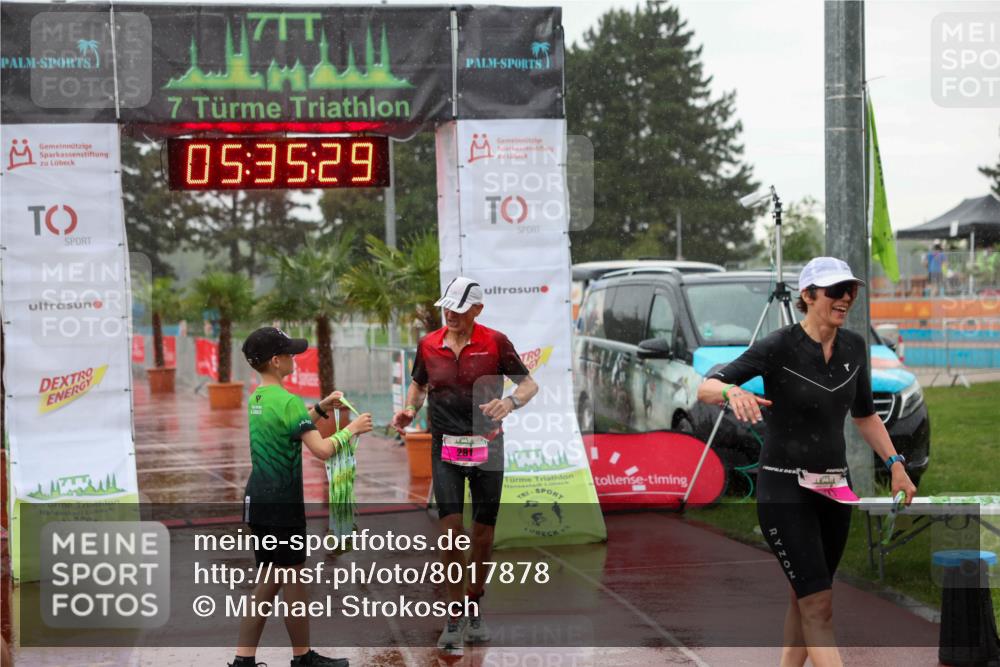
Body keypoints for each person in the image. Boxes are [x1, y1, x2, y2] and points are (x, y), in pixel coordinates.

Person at [696, 257, 916, 667]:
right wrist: (731, 392)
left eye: (850, 290)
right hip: (785, 490)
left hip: (835, 491)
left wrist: (896, 465)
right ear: (809, 295)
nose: (845, 298)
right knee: (819, 606)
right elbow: (706, 387)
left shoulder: (854, 347)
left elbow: (865, 416)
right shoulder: (779, 346)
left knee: (807, 597)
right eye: (835, 290)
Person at [391, 277, 538, 651]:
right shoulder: (429, 344)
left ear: (477, 309)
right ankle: (454, 613)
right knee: (452, 532)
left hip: (488, 448)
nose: (450, 314)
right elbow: (419, 386)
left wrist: (510, 403)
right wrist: (409, 410)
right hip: (446, 449)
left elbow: (528, 385)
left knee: (483, 535)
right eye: (447, 306)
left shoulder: (496, 342)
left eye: (458, 308)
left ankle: (474, 602)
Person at [230, 327, 373, 667]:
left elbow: (292, 427)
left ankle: (296, 656)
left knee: (285, 578)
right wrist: (351, 429)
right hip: (282, 507)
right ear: (276, 361)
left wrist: (321, 408)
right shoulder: (288, 400)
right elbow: (321, 449)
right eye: (288, 353)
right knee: (273, 582)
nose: (293, 357)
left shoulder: (258, 398)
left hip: (260, 501)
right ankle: (249, 660)